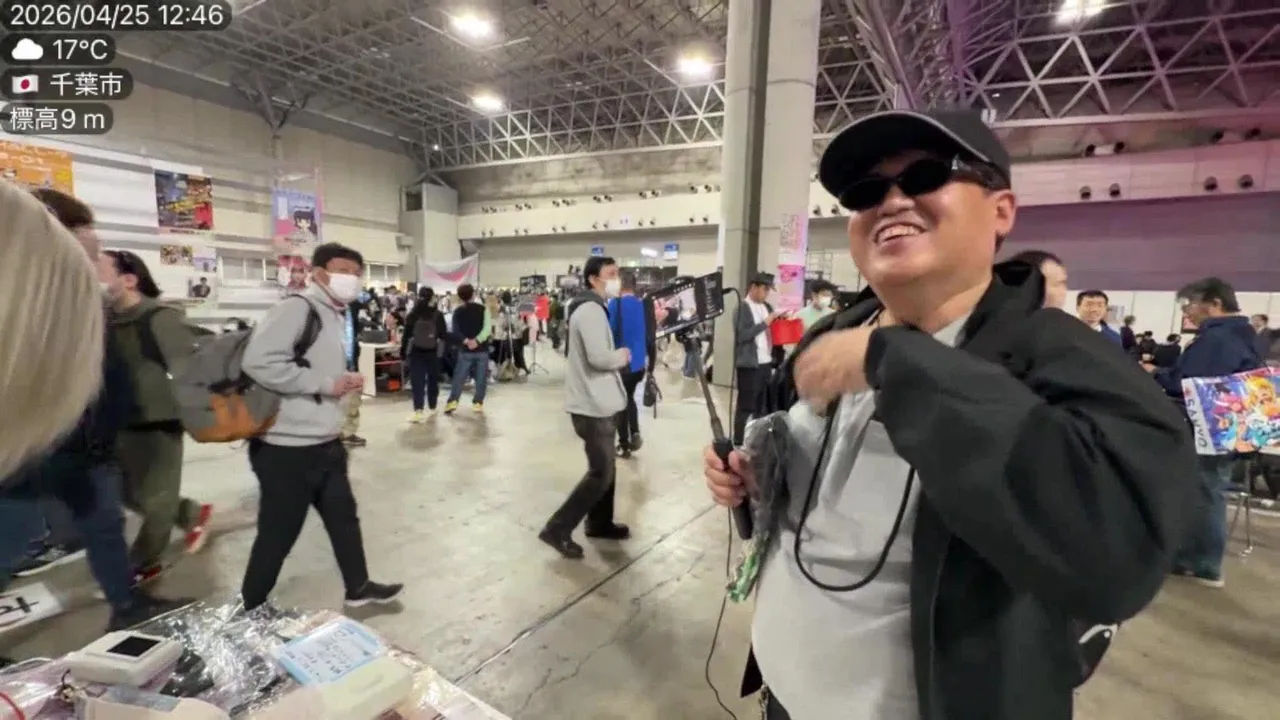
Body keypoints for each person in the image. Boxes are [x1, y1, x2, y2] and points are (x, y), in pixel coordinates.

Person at [703, 108, 1196, 720]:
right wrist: (749, 478)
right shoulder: (830, 337)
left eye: (927, 176)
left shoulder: (1071, 360)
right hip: (785, 696)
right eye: (866, 192)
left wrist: (896, 363)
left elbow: (1116, 563)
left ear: (1002, 211)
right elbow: (794, 480)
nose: (891, 201)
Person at [1, 184, 189, 641]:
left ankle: (126, 604)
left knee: (105, 524)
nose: (96, 251)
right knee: (14, 536)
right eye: (85, 236)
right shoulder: (26, 300)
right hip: (39, 444)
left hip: (88, 443)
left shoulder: (84, 302)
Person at [239, 243, 402, 611]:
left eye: (357, 273)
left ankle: (358, 587)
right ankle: (250, 606)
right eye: (344, 271)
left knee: (344, 520)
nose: (353, 279)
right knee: (278, 534)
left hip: (326, 441)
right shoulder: (297, 309)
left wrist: (341, 381)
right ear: (319, 273)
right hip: (286, 448)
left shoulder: (335, 314)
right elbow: (258, 361)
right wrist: (327, 385)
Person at [101, 249, 214, 582]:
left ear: (129, 280)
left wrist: (200, 413)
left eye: (99, 269)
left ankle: (142, 563)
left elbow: (191, 366)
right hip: (116, 418)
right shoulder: (101, 320)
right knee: (123, 492)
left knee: (157, 500)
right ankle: (192, 513)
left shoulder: (160, 317)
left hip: (158, 418)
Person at [1147, 277, 1261, 588]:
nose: (1187, 313)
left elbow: (1192, 383)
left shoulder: (1219, 339)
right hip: (1228, 429)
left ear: (1214, 303)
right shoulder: (1242, 334)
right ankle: (1193, 557)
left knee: (1205, 491)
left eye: (1190, 305)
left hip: (1208, 430)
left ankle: (1201, 563)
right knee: (1207, 490)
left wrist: (1156, 373)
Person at [539, 256, 631, 559]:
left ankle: (599, 522)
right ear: (593, 278)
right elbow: (599, 358)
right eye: (611, 273)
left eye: (617, 273)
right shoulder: (590, 310)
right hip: (592, 407)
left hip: (599, 402)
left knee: (608, 469)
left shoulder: (592, 307)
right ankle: (557, 529)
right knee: (600, 473)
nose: (616, 278)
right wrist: (622, 355)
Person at [732, 273, 781, 445]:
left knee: (762, 404)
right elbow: (742, 336)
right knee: (746, 405)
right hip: (749, 364)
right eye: (765, 289)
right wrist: (765, 323)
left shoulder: (767, 306)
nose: (767, 294)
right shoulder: (742, 308)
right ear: (754, 287)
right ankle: (738, 440)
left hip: (766, 363)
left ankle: (757, 441)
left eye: (768, 290)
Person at [608, 274, 649, 458]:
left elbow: (609, 332)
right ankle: (635, 432)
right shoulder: (643, 305)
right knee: (629, 397)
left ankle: (624, 444)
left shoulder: (615, 304)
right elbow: (649, 334)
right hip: (639, 364)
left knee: (620, 403)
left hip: (622, 363)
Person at [401, 286, 447, 421]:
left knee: (417, 381)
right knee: (433, 379)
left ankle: (418, 410)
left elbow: (406, 336)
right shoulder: (437, 315)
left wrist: (403, 352)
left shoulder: (413, 315)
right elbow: (443, 335)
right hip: (433, 352)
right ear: (432, 298)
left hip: (416, 352)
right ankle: (432, 406)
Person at [444, 283, 491, 414]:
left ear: (460, 297)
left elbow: (455, 330)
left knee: (459, 377)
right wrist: (477, 340)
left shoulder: (457, 312)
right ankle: (478, 403)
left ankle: (453, 401)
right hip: (482, 350)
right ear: (473, 294)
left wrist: (466, 341)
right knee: (481, 378)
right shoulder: (483, 309)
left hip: (465, 350)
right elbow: (487, 329)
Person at [340, 298, 367, 448]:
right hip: (332, 362)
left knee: (353, 399)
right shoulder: (326, 307)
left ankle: (347, 433)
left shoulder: (354, 306)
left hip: (351, 362)